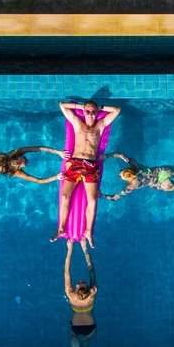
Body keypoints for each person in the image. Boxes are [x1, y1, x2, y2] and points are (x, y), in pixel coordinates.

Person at [50, 101, 121, 248]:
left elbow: (117, 110)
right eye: (87, 112)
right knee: (64, 196)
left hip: (90, 164)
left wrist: (99, 107)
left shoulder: (100, 125)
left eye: (93, 112)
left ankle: (88, 231)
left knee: (93, 200)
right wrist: (80, 107)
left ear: (96, 112)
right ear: (84, 111)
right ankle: (61, 228)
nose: (90, 114)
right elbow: (62, 105)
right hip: (75, 163)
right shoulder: (77, 123)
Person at [99, 152, 174, 200]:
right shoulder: (136, 166)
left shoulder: (132, 185)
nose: (120, 174)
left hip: (161, 184)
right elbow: (122, 156)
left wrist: (103, 196)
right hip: (162, 171)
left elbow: (116, 197)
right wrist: (109, 155)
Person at [64, 239, 97, 347]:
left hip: (76, 325)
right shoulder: (92, 294)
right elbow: (91, 270)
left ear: (76, 289)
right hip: (89, 327)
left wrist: (69, 249)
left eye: (78, 283)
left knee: (73, 336)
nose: (80, 281)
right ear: (87, 288)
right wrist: (85, 248)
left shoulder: (71, 295)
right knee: (85, 341)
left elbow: (67, 271)